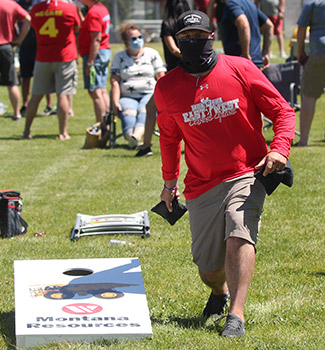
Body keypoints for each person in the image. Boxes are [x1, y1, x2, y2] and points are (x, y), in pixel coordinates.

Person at [154, 10, 296, 337]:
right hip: (201, 183)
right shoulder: (167, 88)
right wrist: (168, 184)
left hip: (247, 171)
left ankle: (237, 316)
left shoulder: (240, 68)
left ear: (211, 35)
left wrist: (279, 149)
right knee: (208, 268)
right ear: (177, 42)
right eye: (186, 38)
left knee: (239, 230)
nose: (193, 43)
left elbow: (282, 112)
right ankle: (219, 292)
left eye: (199, 37)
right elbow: (170, 139)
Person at [136, 0, 190, 158]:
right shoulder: (190, 24)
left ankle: (146, 146)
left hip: (175, 74)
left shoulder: (167, 24)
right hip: (192, 71)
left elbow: (173, 49)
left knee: (151, 107)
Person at [23, 0, 80, 140]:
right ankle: (63, 133)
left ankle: (26, 131)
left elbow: (34, 27)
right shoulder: (69, 8)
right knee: (62, 95)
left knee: (35, 96)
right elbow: (77, 27)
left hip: (42, 57)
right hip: (64, 57)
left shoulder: (36, 9)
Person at [110, 23, 166, 149]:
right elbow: (114, 81)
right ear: (126, 41)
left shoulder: (152, 53)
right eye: (133, 39)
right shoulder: (119, 57)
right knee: (128, 112)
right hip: (127, 95)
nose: (138, 41)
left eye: (139, 37)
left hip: (149, 93)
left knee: (144, 110)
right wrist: (115, 101)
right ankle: (131, 137)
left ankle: (136, 137)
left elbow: (161, 77)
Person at [295, 0, 325, 147]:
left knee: (309, 95)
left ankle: (304, 140)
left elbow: (301, 28)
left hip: (319, 51)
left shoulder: (312, 3)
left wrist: (300, 52)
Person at [78, 0, 111, 125]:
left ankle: (101, 125)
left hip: (96, 54)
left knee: (95, 91)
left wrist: (90, 62)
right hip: (103, 51)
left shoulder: (94, 12)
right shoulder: (101, 8)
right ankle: (107, 122)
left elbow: (96, 38)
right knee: (101, 90)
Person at [0, 0, 31, 121]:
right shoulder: (11, 4)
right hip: (6, 47)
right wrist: (19, 40)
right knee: (11, 82)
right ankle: (17, 113)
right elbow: (28, 19)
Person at [221, 0, 274, 69]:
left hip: (239, 62)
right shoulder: (249, 4)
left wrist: (245, 54)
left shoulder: (231, 4)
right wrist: (265, 54)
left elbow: (243, 24)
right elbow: (269, 26)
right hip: (255, 61)